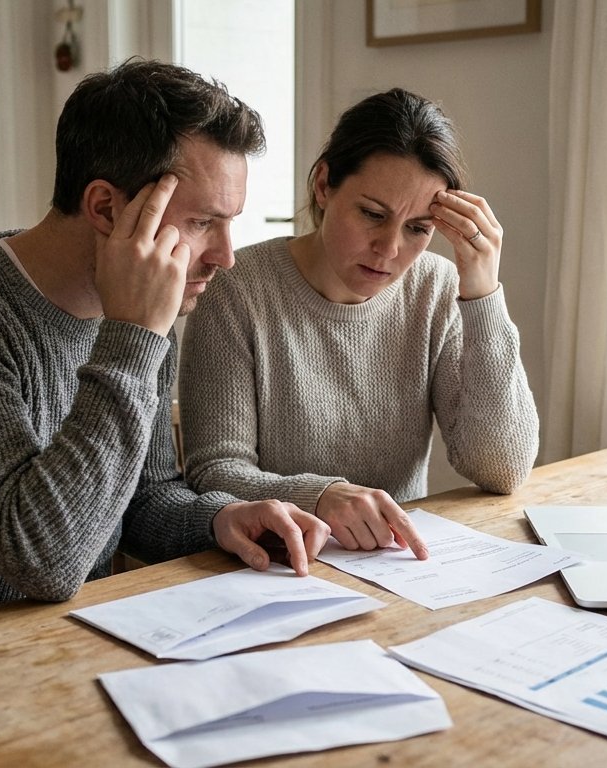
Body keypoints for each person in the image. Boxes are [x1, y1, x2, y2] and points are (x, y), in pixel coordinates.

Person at [0, 60, 329, 648]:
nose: (224, 256)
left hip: (59, 651)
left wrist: (219, 519)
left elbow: (145, 497)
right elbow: (44, 559)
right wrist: (134, 337)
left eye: (229, 224)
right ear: (107, 209)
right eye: (200, 223)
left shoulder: (140, 316)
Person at [178, 88, 539, 559]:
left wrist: (483, 295)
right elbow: (214, 472)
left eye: (417, 229)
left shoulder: (436, 288)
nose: (389, 250)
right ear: (324, 184)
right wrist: (321, 497)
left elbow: (502, 468)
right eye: (372, 214)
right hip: (280, 568)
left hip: (399, 569)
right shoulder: (237, 288)